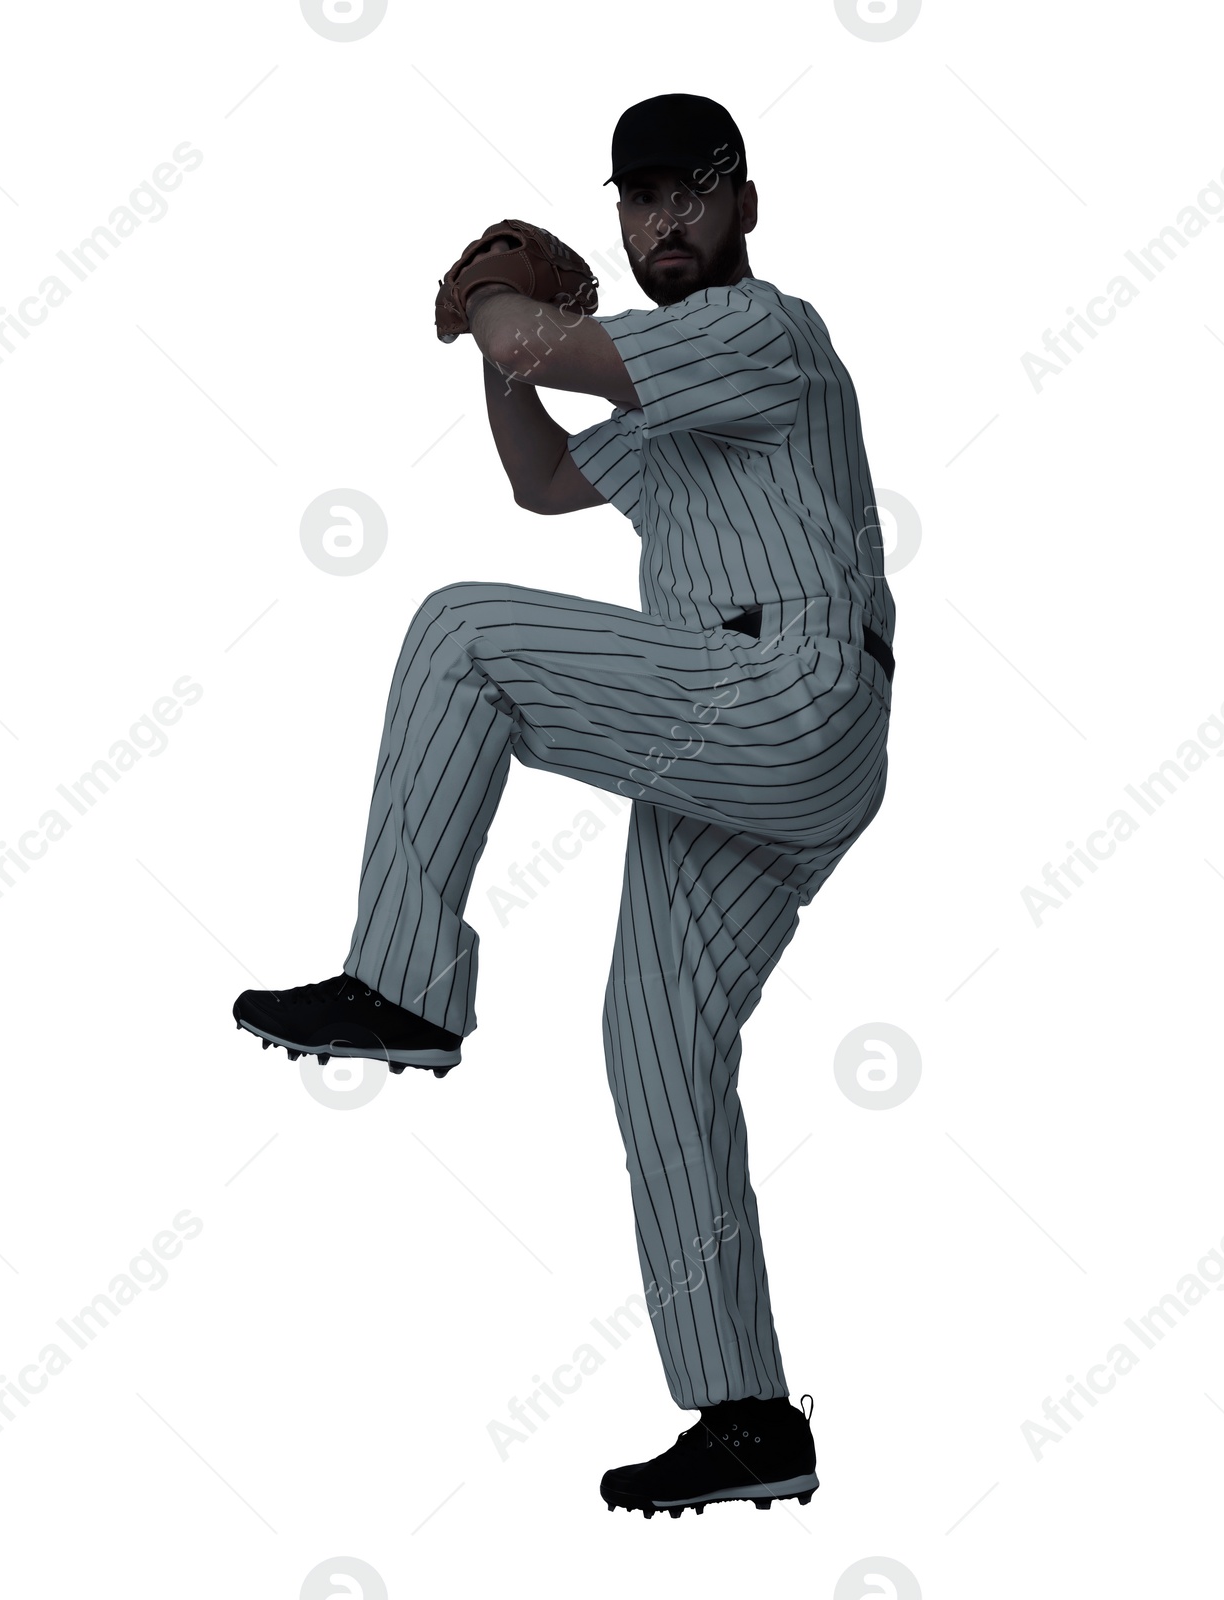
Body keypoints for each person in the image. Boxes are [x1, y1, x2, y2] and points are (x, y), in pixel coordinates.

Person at [232, 92, 895, 1518]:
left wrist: (498, 310)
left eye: (690, 192)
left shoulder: (759, 333)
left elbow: (540, 346)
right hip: (750, 742)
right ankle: (747, 1413)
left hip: (785, 689)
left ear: (743, 206)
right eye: (639, 196)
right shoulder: (670, 391)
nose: (664, 219)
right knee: (655, 1039)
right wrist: (506, 346)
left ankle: (405, 981)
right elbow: (541, 477)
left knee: (464, 633)